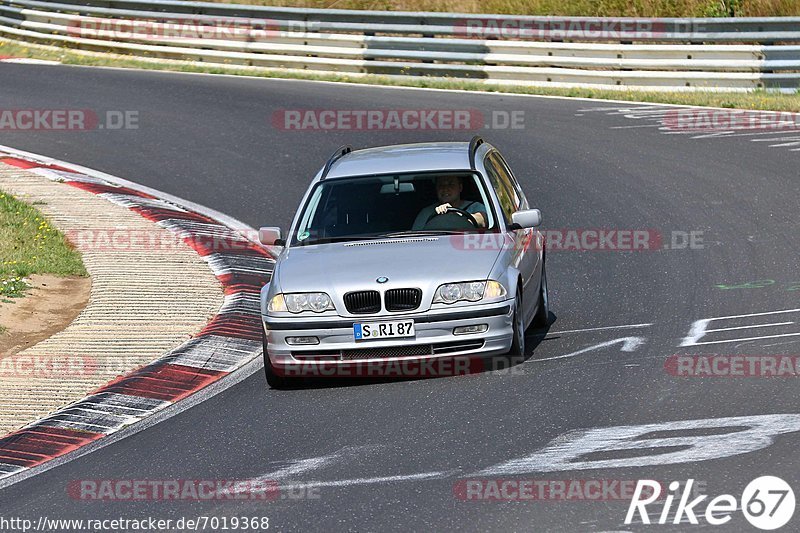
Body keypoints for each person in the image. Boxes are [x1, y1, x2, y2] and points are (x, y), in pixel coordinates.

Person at [412, 175, 487, 230]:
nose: (445, 188)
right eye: (441, 185)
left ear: (460, 187)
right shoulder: (426, 212)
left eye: (451, 184)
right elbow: (416, 236)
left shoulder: (475, 206)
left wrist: (456, 215)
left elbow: (483, 221)